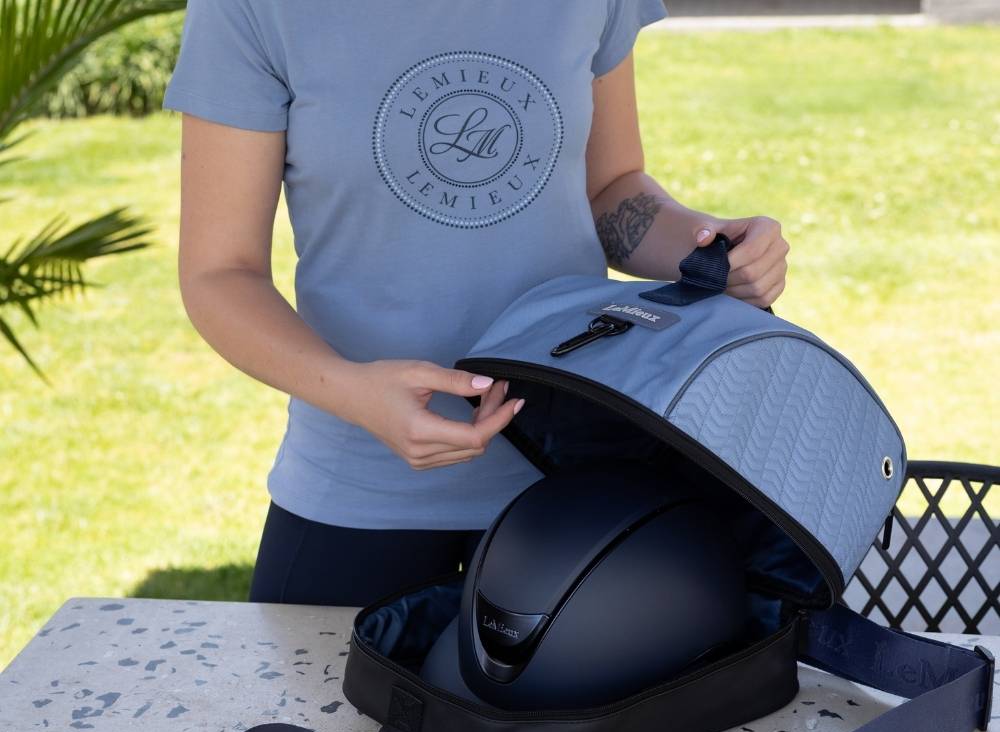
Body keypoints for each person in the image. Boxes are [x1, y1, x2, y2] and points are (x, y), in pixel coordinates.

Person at [161, 0, 789, 609]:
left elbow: (607, 189)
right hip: (357, 487)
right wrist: (352, 392)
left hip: (570, 483)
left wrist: (707, 249)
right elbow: (221, 273)